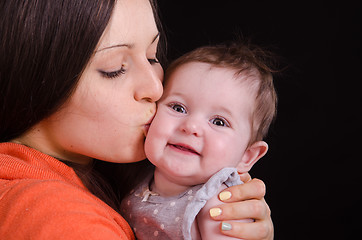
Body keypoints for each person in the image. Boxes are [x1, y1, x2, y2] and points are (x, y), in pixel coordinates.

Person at [0, 0, 273, 239]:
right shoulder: (62, 219)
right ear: (36, 79)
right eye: (115, 69)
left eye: (152, 57)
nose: (156, 88)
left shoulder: (114, 181)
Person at [121, 42, 277, 239]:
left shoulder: (217, 203)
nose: (191, 126)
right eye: (178, 108)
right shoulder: (139, 178)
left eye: (219, 122)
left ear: (247, 156)